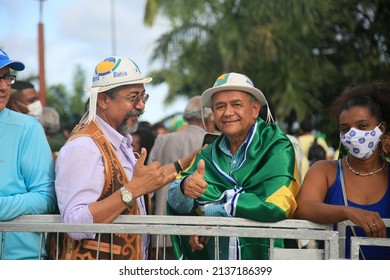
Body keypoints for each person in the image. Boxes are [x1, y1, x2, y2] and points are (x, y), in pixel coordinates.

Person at [51, 56, 195, 260]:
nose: (141, 106)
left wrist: (186, 162)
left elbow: (140, 184)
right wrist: (133, 190)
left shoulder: (118, 141)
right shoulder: (84, 147)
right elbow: (75, 222)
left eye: (143, 97)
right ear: (103, 100)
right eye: (133, 97)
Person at [167, 72, 300, 260]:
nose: (228, 113)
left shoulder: (277, 146)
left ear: (255, 109)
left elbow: (277, 204)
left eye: (236, 104)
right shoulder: (207, 154)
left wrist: (210, 215)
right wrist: (185, 187)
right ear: (213, 114)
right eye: (220, 106)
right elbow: (176, 202)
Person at [294, 81, 390, 260]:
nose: (353, 135)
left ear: (381, 129)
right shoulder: (325, 170)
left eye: (362, 126)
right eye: (345, 129)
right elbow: (302, 207)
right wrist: (348, 212)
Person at [0, 49, 56, 259]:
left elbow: (46, 197)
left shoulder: (27, 128)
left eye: (7, 77)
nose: (4, 86)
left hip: (20, 261)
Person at [147, 95, 215, 259]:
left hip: (162, 229)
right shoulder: (213, 141)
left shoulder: (162, 140)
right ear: (208, 117)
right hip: (198, 231)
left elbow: (149, 185)